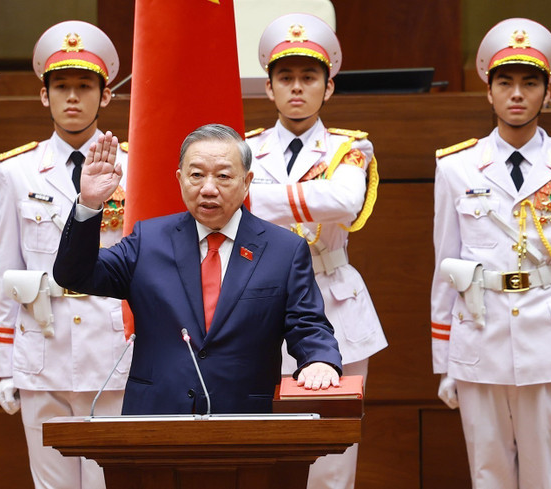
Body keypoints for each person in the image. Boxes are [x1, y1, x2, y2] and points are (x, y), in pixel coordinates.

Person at [53, 123, 344, 415]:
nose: (208, 188)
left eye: (223, 176)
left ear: (246, 182)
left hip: (244, 418)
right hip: (156, 417)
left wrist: (319, 360)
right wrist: (89, 203)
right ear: (180, 179)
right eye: (196, 175)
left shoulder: (284, 250)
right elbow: (75, 275)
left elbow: (308, 324)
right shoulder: (148, 241)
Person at [431, 18, 551, 489]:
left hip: (549, 338)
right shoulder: (456, 166)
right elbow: (445, 265)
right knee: (486, 472)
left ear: (547, 92)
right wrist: (445, 360)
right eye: (504, 82)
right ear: (488, 92)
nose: (516, 94)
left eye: (530, 83)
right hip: (478, 335)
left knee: (544, 475)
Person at [244, 13, 388, 489]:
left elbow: (344, 201)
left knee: (332, 462)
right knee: (266, 452)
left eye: (309, 77)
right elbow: (227, 204)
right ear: (269, 88)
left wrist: (254, 197)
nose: (297, 87)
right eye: (285, 77)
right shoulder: (243, 149)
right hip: (259, 300)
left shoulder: (350, 148)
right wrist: (308, 197)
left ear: (329, 88)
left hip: (334, 301)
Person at [0, 20, 130, 489]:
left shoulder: (132, 165)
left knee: (110, 482)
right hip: (41, 348)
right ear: (44, 95)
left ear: (105, 96)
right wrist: (6, 366)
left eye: (85, 86)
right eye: (61, 86)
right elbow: (7, 273)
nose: (73, 97)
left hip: (111, 350)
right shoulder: (17, 172)